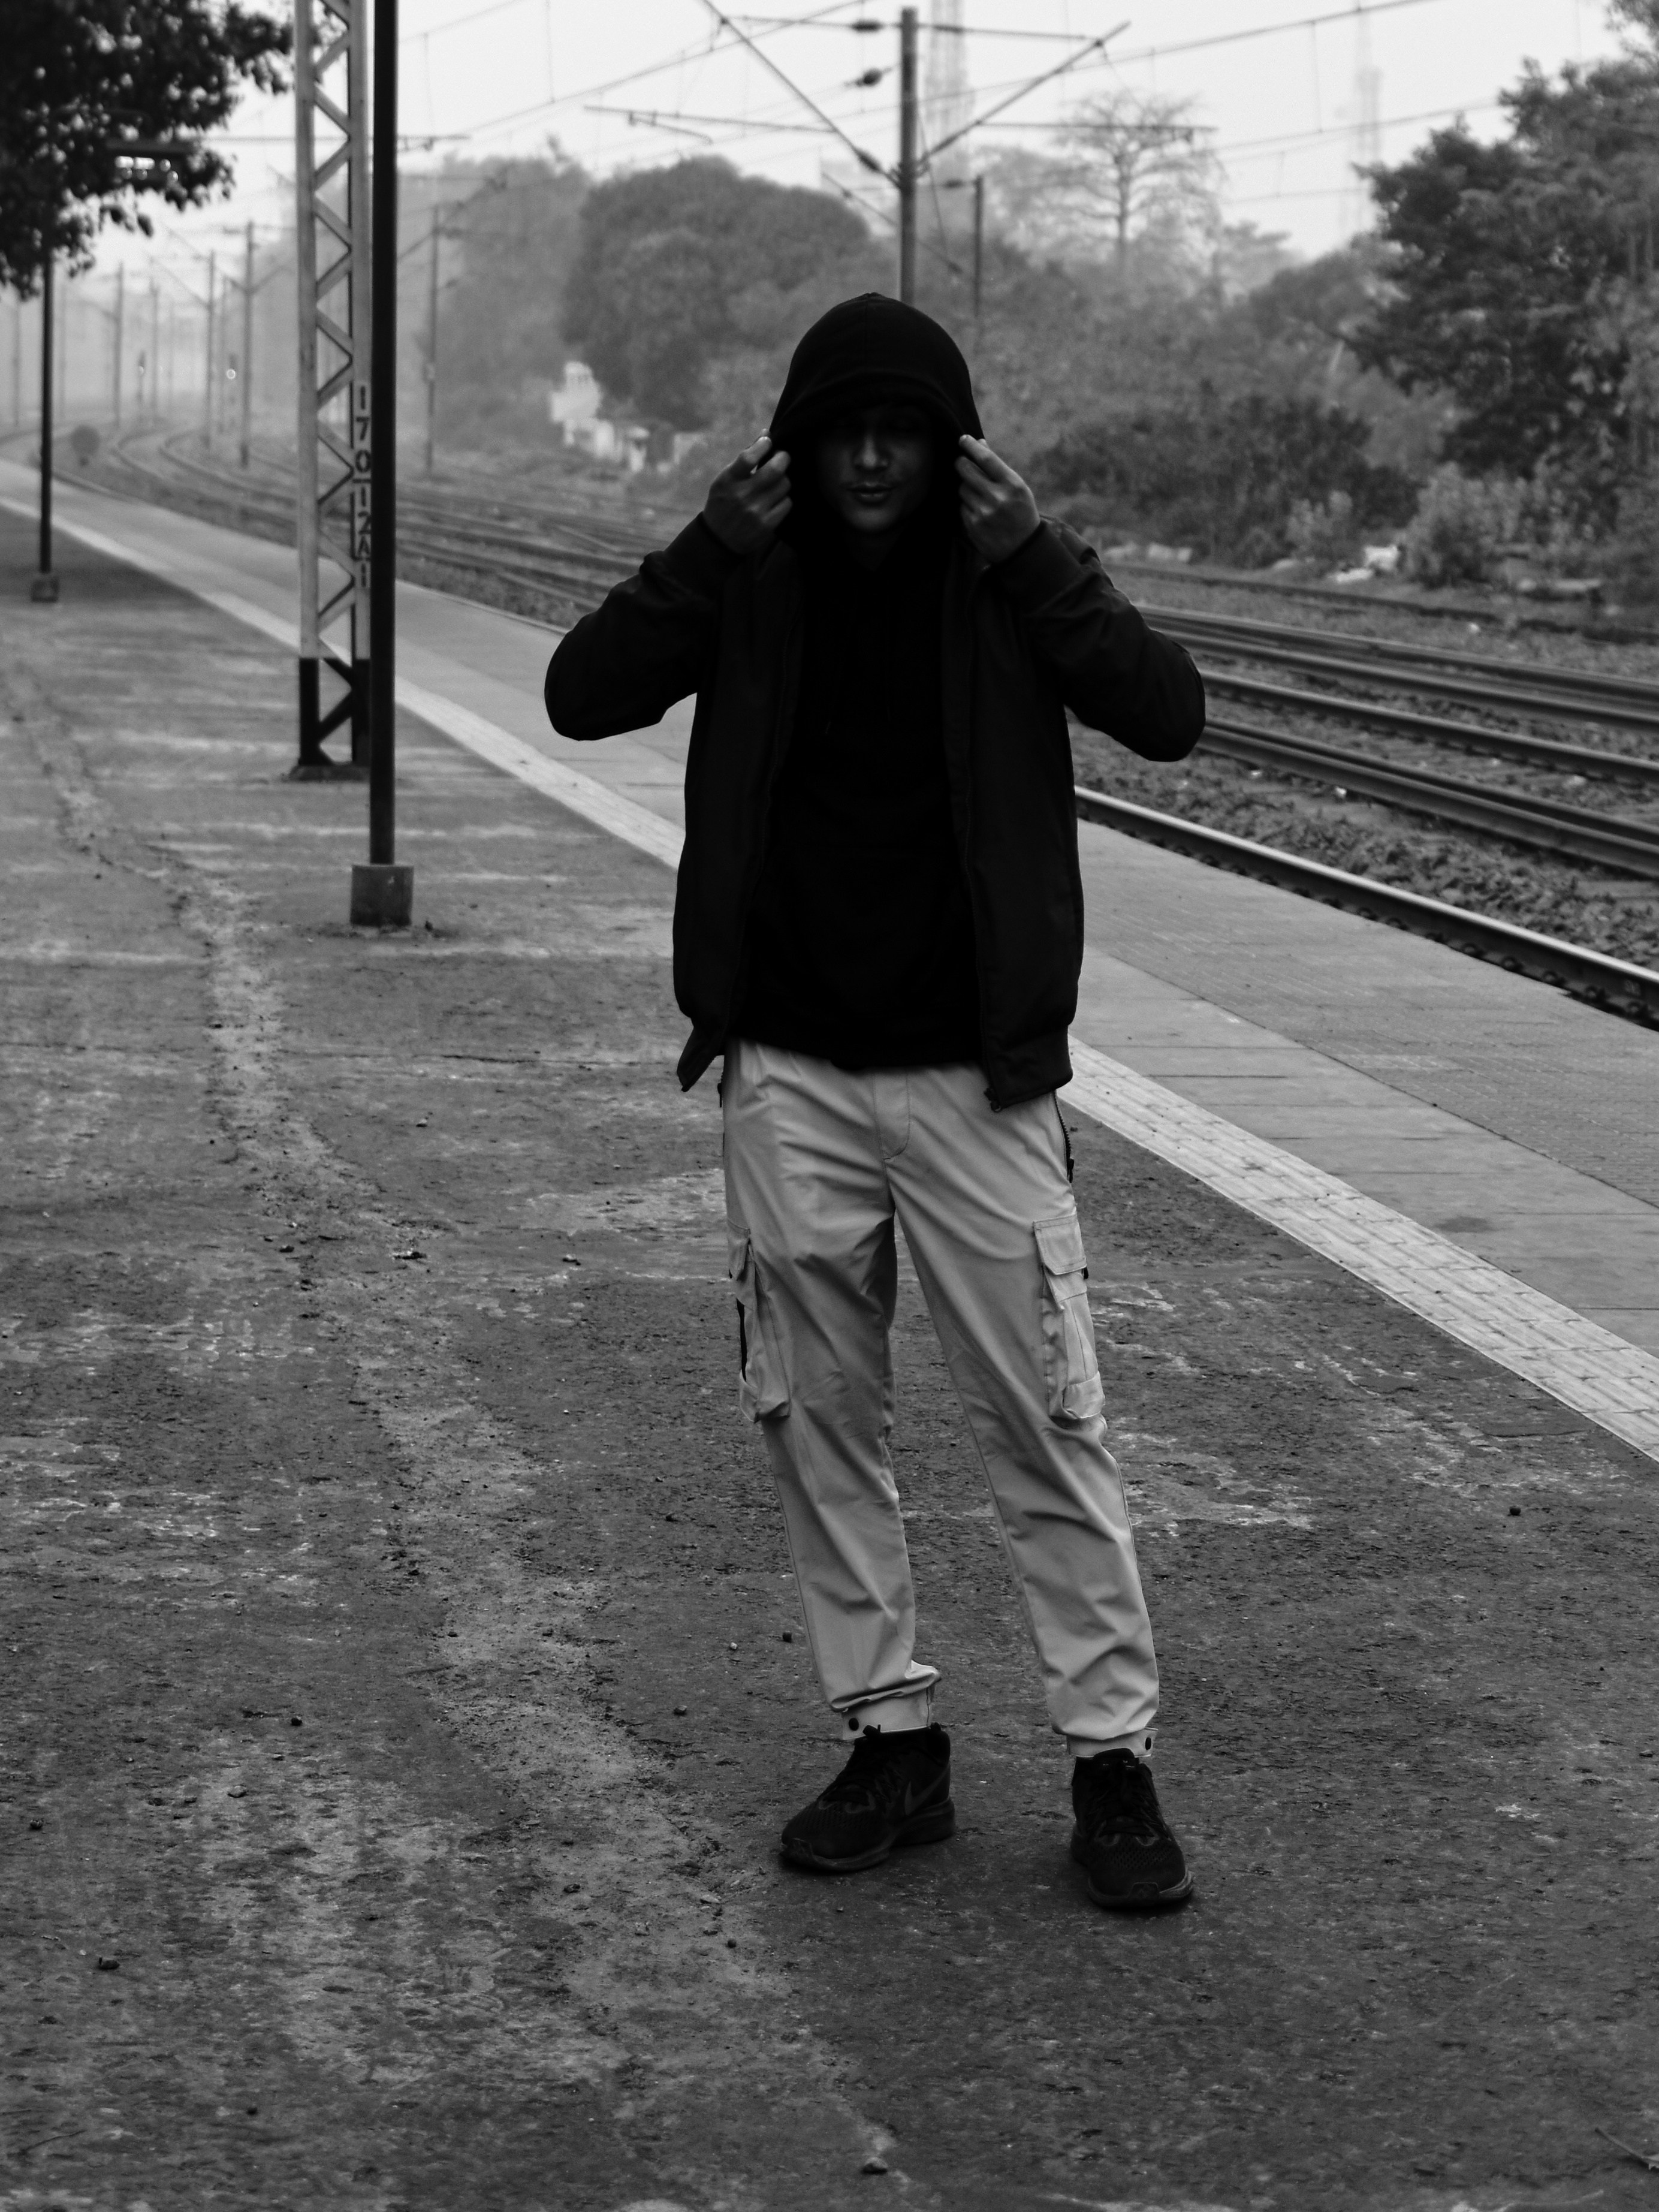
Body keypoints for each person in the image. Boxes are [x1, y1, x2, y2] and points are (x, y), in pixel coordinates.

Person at [545, 294, 1205, 1910]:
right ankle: (891, 1737)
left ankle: (1111, 1761)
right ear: (795, 441)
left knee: (1046, 1420)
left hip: (980, 1080)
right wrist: (705, 548)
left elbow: (1167, 710)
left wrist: (1039, 556)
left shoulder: (1005, 576)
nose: (866, 460)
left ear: (949, 446)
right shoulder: (749, 573)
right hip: (790, 1074)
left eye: (898, 432)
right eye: (839, 431)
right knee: (818, 1419)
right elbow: (580, 692)